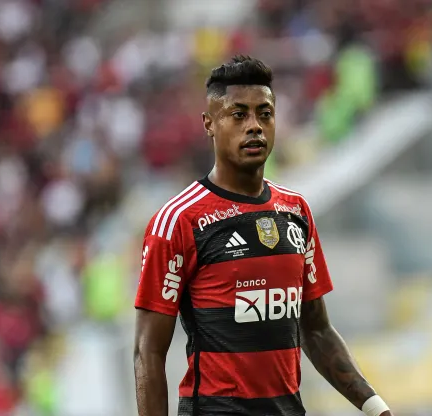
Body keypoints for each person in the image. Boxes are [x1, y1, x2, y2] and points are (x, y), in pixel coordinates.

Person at [133, 56, 393, 416]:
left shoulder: (296, 211)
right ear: (209, 124)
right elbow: (149, 351)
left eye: (265, 114)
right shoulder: (179, 221)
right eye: (238, 115)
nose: (254, 126)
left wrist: (376, 408)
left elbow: (317, 331)